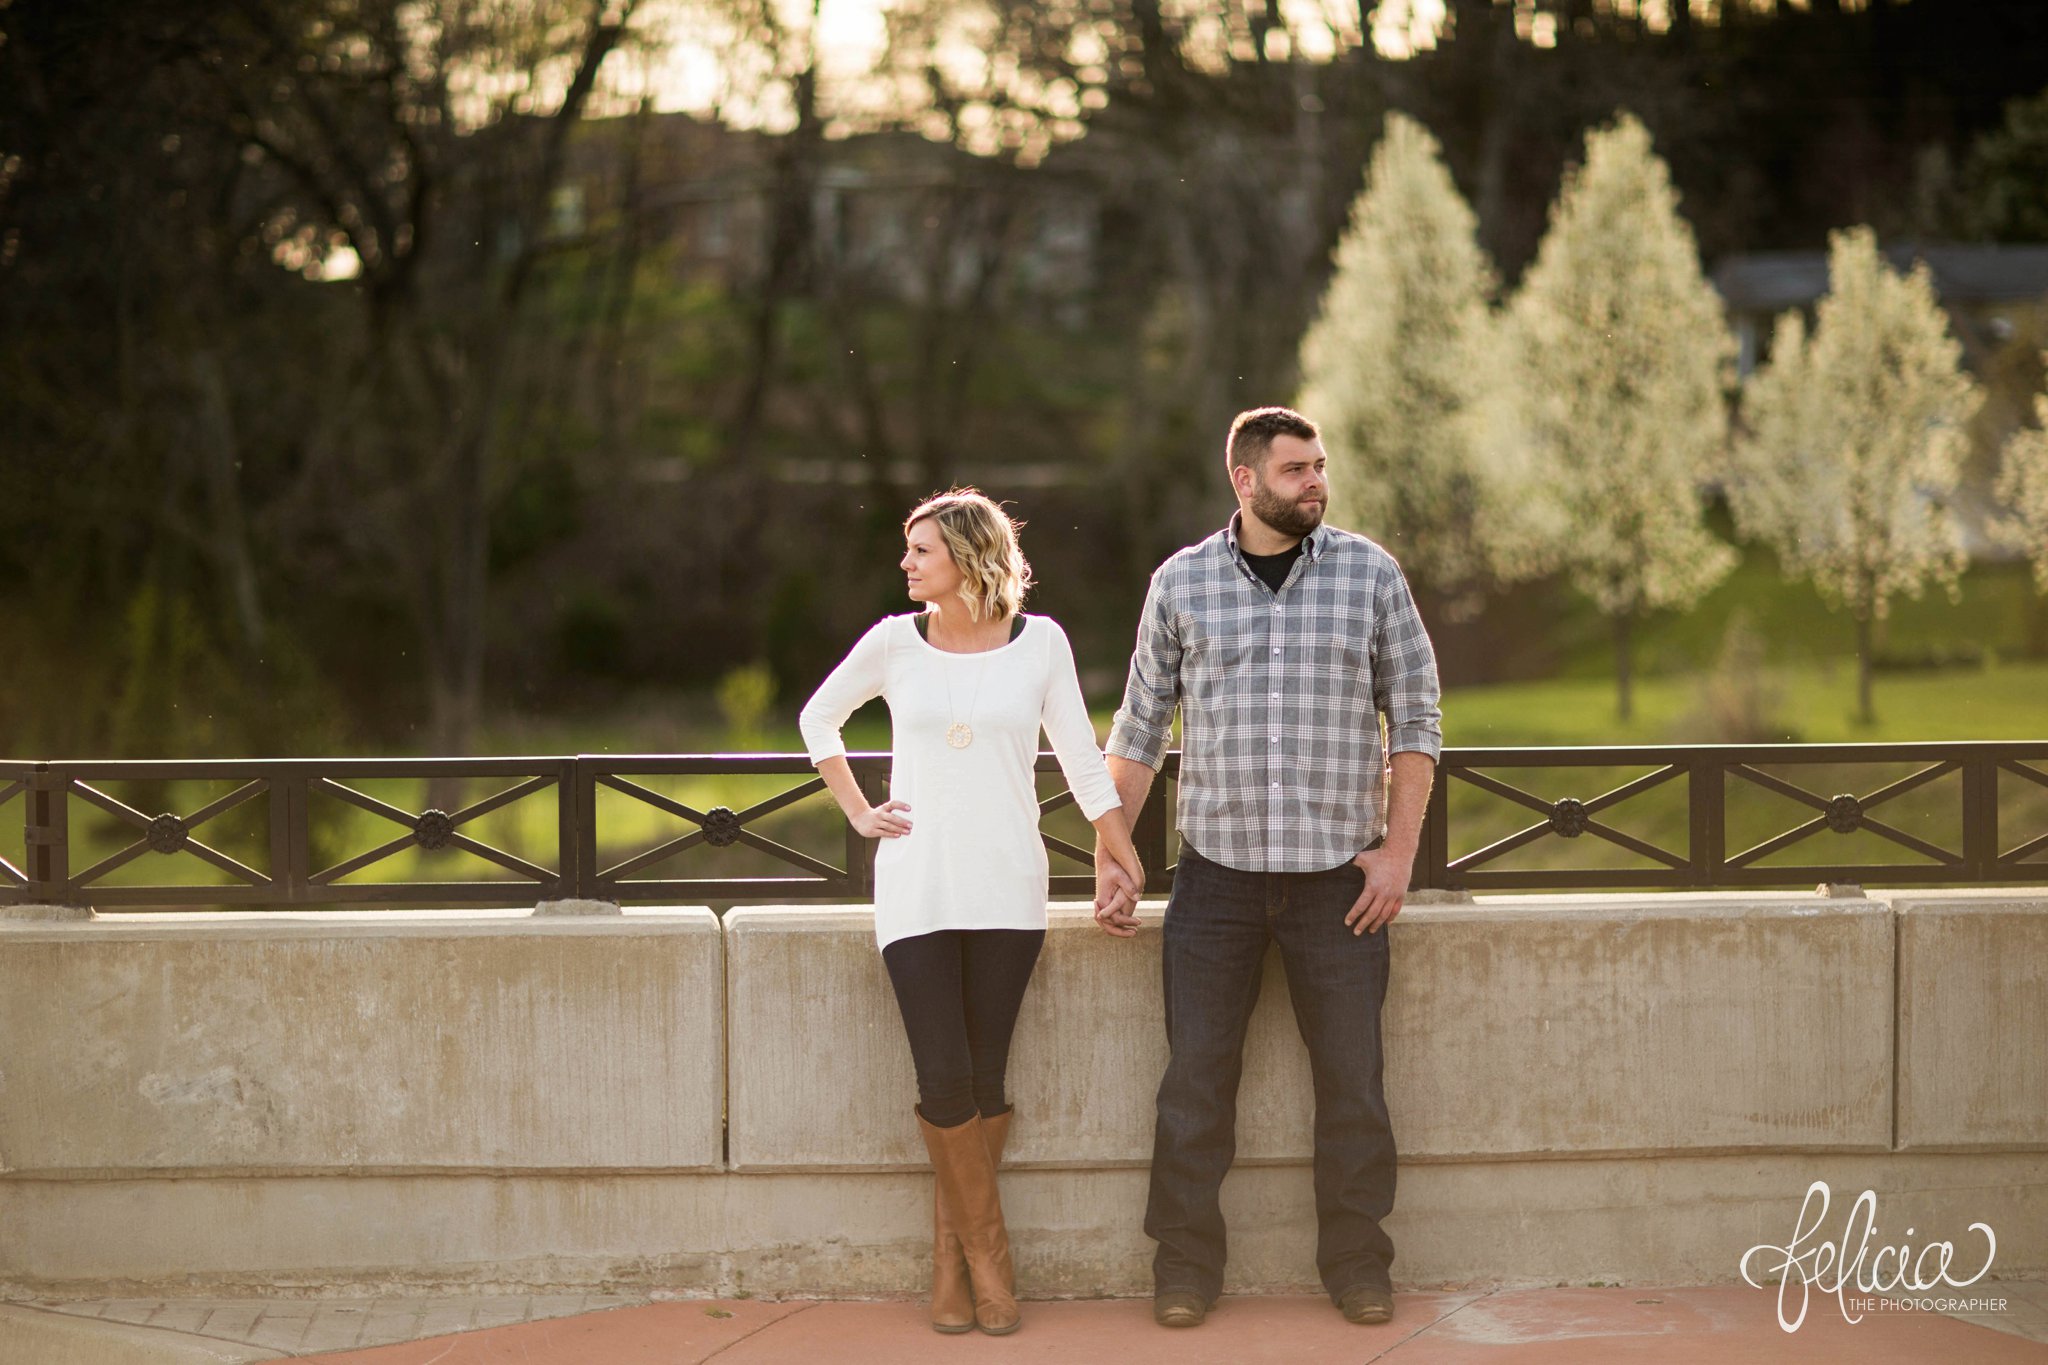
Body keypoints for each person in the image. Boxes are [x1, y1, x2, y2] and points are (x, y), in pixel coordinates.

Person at [1091, 406, 1442, 1330]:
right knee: (1196, 1080)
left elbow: (1418, 722)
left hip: (1340, 882)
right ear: (1244, 480)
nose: (1316, 483)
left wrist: (1397, 854)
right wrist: (1115, 854)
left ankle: (1360, 1263)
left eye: (1320, 466)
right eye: (1296, 470)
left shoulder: (1371, 575)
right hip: (1218, 880)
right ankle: (1185, 1266)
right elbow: (1138, 730)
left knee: (1355, 1082)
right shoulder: (1181, 582)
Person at [800, 488, 1145, 1337]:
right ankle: (991, 1264)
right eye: (908, 549)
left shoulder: (1042, 644)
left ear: (967, 556)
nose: (906, 562)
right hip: (916, 884)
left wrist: (1118, 847)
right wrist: (857, 809)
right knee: (943, 1075)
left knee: (987, 1076)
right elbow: (819, 717)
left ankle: (950, 1264)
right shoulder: (891, 641)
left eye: (921, 550)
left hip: (1008, 884)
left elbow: (1079, 757)